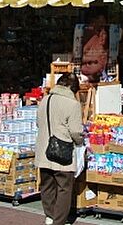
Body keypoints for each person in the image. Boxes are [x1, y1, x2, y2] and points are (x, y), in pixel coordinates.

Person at [35, 73, 84, 225]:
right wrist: (80, 142)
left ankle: (49, 216)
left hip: (44, 149)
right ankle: (59, 221)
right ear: (72, 88)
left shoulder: (45, 99)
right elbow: (76, 131)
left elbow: (38, 123)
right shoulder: (73, 104)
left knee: (47, 185)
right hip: (63, 152)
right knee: (64, 187)